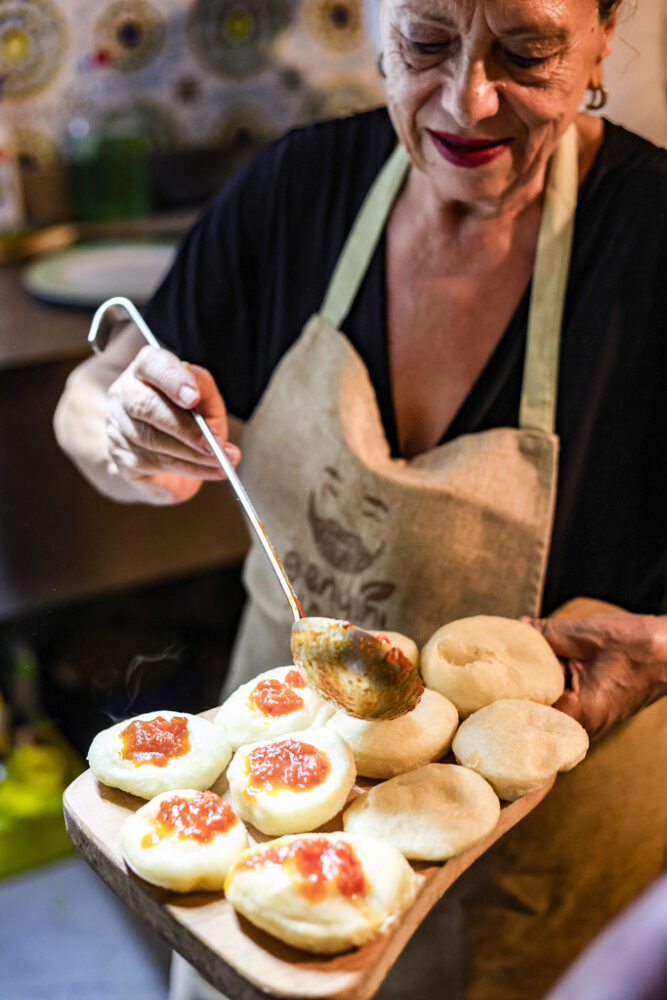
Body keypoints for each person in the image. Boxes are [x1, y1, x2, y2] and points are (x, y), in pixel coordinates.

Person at [54, 1, 666, 998]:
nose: (467, 97)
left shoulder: (649, 236)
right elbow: (92, 392)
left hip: (542, 857)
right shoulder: (299, 189)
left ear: (602, 36)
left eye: (527, 50)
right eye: (426, 41)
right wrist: (120, 428)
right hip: (282, 802)